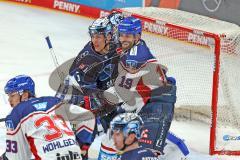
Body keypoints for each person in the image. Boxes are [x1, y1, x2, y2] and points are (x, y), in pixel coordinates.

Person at [98, 16, 177, 159]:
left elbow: (119, 93)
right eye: (121, 35)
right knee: (110, 137)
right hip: (143, 100)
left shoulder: (135, 58)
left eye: (127, 35)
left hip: (158, 105)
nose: (123, 39)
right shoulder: (133, 46)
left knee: (144, 154)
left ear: (138, 35)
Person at [54, 16, 122, 159]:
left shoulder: (111, 46)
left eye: (98, 36)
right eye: (93, 36)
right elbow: (87, 99)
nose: (94, 40)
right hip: (73, 101)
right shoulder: (90, 59)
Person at [0, 75, 86, 160]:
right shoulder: (55, 102)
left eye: (12, 95)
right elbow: (87, 117)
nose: (9, 100)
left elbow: (17, 157)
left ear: (25, 95)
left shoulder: (15, 114)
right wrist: (82, 144)